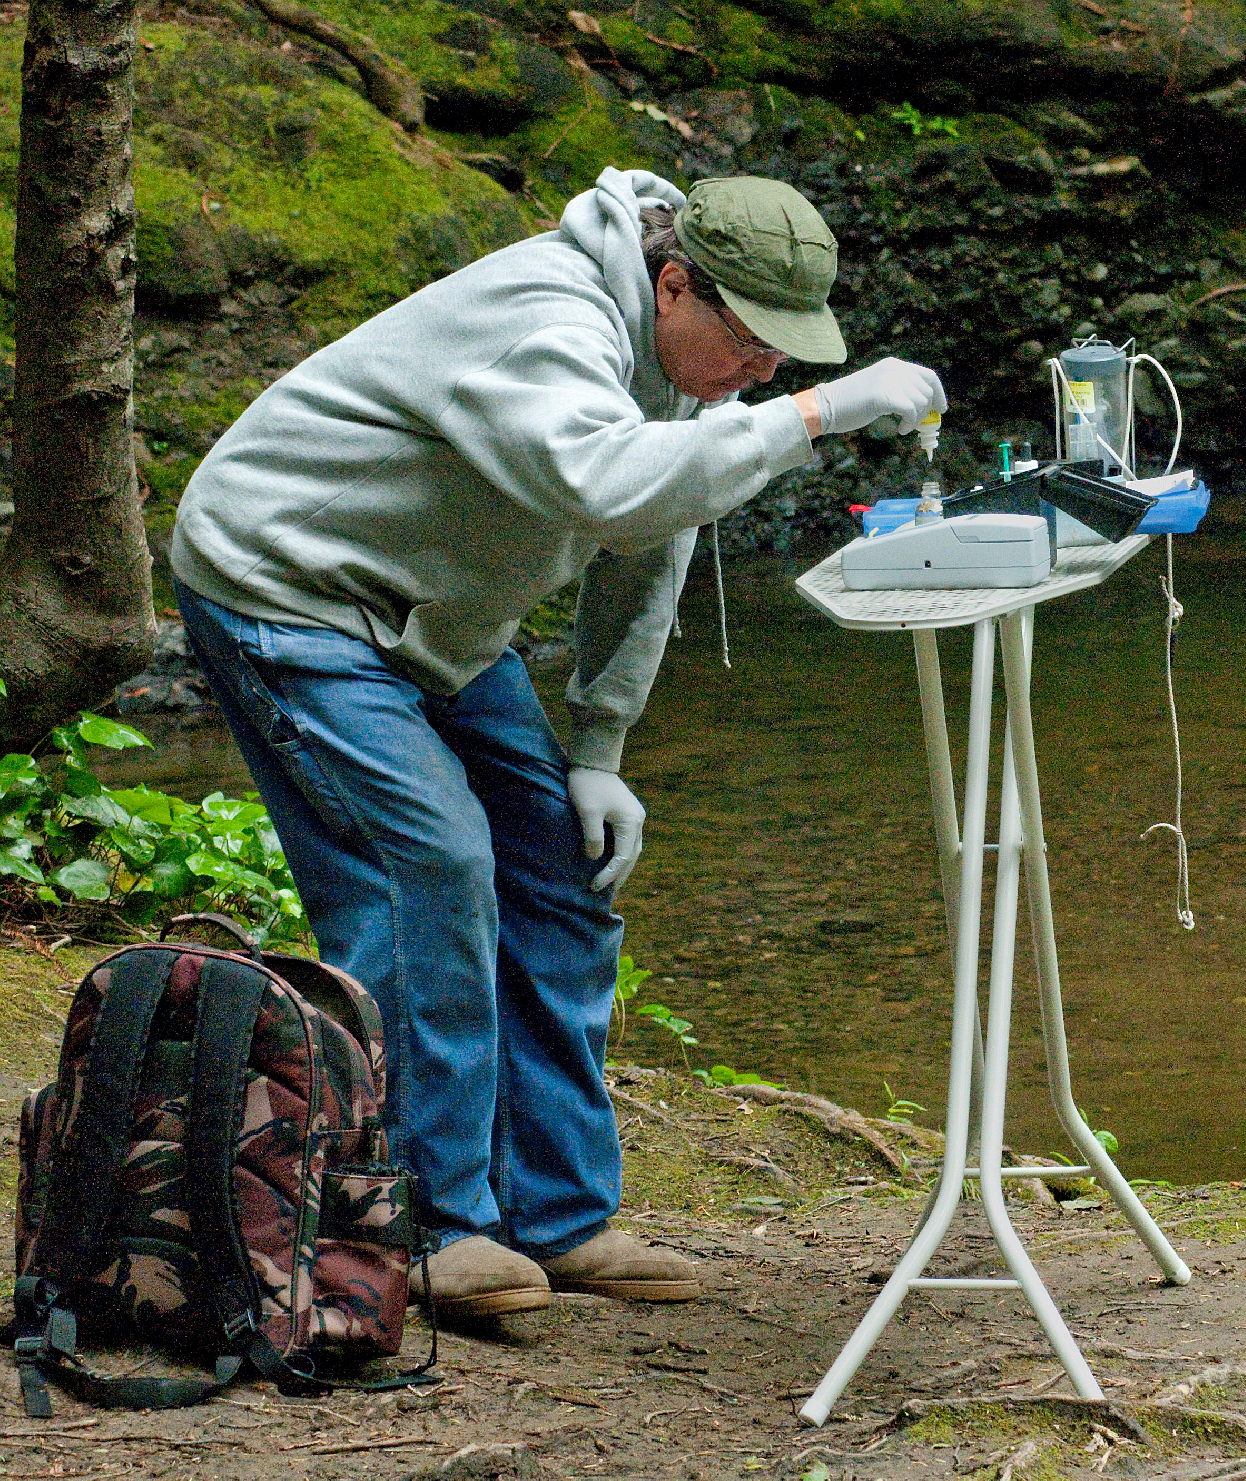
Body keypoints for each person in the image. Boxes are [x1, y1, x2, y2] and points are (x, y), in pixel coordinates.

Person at [171, 167, 945, 1323]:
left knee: (560, 873)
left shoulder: (679, 362)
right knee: (426, 869)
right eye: (753, 343)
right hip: (293, 590)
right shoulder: (546, 320)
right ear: (673, 283)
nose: (768, 371)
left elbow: (651, 536)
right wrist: (814, 418)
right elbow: (610, 484)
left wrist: (600, 747)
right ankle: (420, 1220)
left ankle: (558, 1214)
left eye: (789, 357)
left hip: (437, 617)